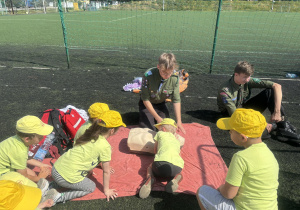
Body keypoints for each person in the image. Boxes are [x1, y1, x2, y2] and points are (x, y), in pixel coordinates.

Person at [197, 108, 279, 210]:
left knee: (202, 191)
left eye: (231, 131)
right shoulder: (269, 155)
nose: (229, 133)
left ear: (243, 138)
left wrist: (220, 188)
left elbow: (229, 194)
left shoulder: (241, 157)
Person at [49, 110, 126, 205]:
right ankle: (58, 197)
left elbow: (83, 155)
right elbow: (106, 171)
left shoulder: (89, 133)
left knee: (70, 177)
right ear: (112, 131)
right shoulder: (105, 147)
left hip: (56, 168)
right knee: (90, 187)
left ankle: (49, 185)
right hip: (65, 177)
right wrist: (107, 190)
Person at [217, 61, 285, 139]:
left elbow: (277, 86)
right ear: (236, 74)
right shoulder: (225, 90)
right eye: (245, 77)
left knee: (270, 91)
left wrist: (277, 112)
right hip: (231, 114)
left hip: (243, 108)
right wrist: (262, 123)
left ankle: (281, 124)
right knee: (253, 133)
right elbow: (235, 114)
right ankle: (268, 128)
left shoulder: (247, 80)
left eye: (249, 76)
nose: (247, 79)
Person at [139, 53, 186, 134]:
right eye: (164, 72)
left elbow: (176, 100)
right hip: (147, 105)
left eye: (170, 72)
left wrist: (179, 121)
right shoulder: (148, 75)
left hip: (161, 105)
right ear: (158, 67)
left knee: (166, 129)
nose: (167, 75)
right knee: (149, 131)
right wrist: (157, 118)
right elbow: (145, 99)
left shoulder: (175, 78)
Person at [0, 115, 53, 186]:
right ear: (27, 139)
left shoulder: (17, 140)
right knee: (32, 186)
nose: (42, 138)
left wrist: (41, 164)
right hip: (3, 174)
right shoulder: (19, 151)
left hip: (8, 165)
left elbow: (25, 157)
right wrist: (39, 178)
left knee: (32, 174)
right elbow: (23, 175)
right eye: (40, 137)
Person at [139, 118, 184, 199]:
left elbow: (155, 149)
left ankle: (150, 179)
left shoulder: (160, 133)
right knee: (171, 169)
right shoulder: (177, 141)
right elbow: (179, 154)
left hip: (160, 165)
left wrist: (157, 155)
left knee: (150, 167)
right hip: (178, 167)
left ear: (163, 129)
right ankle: (175, 177)